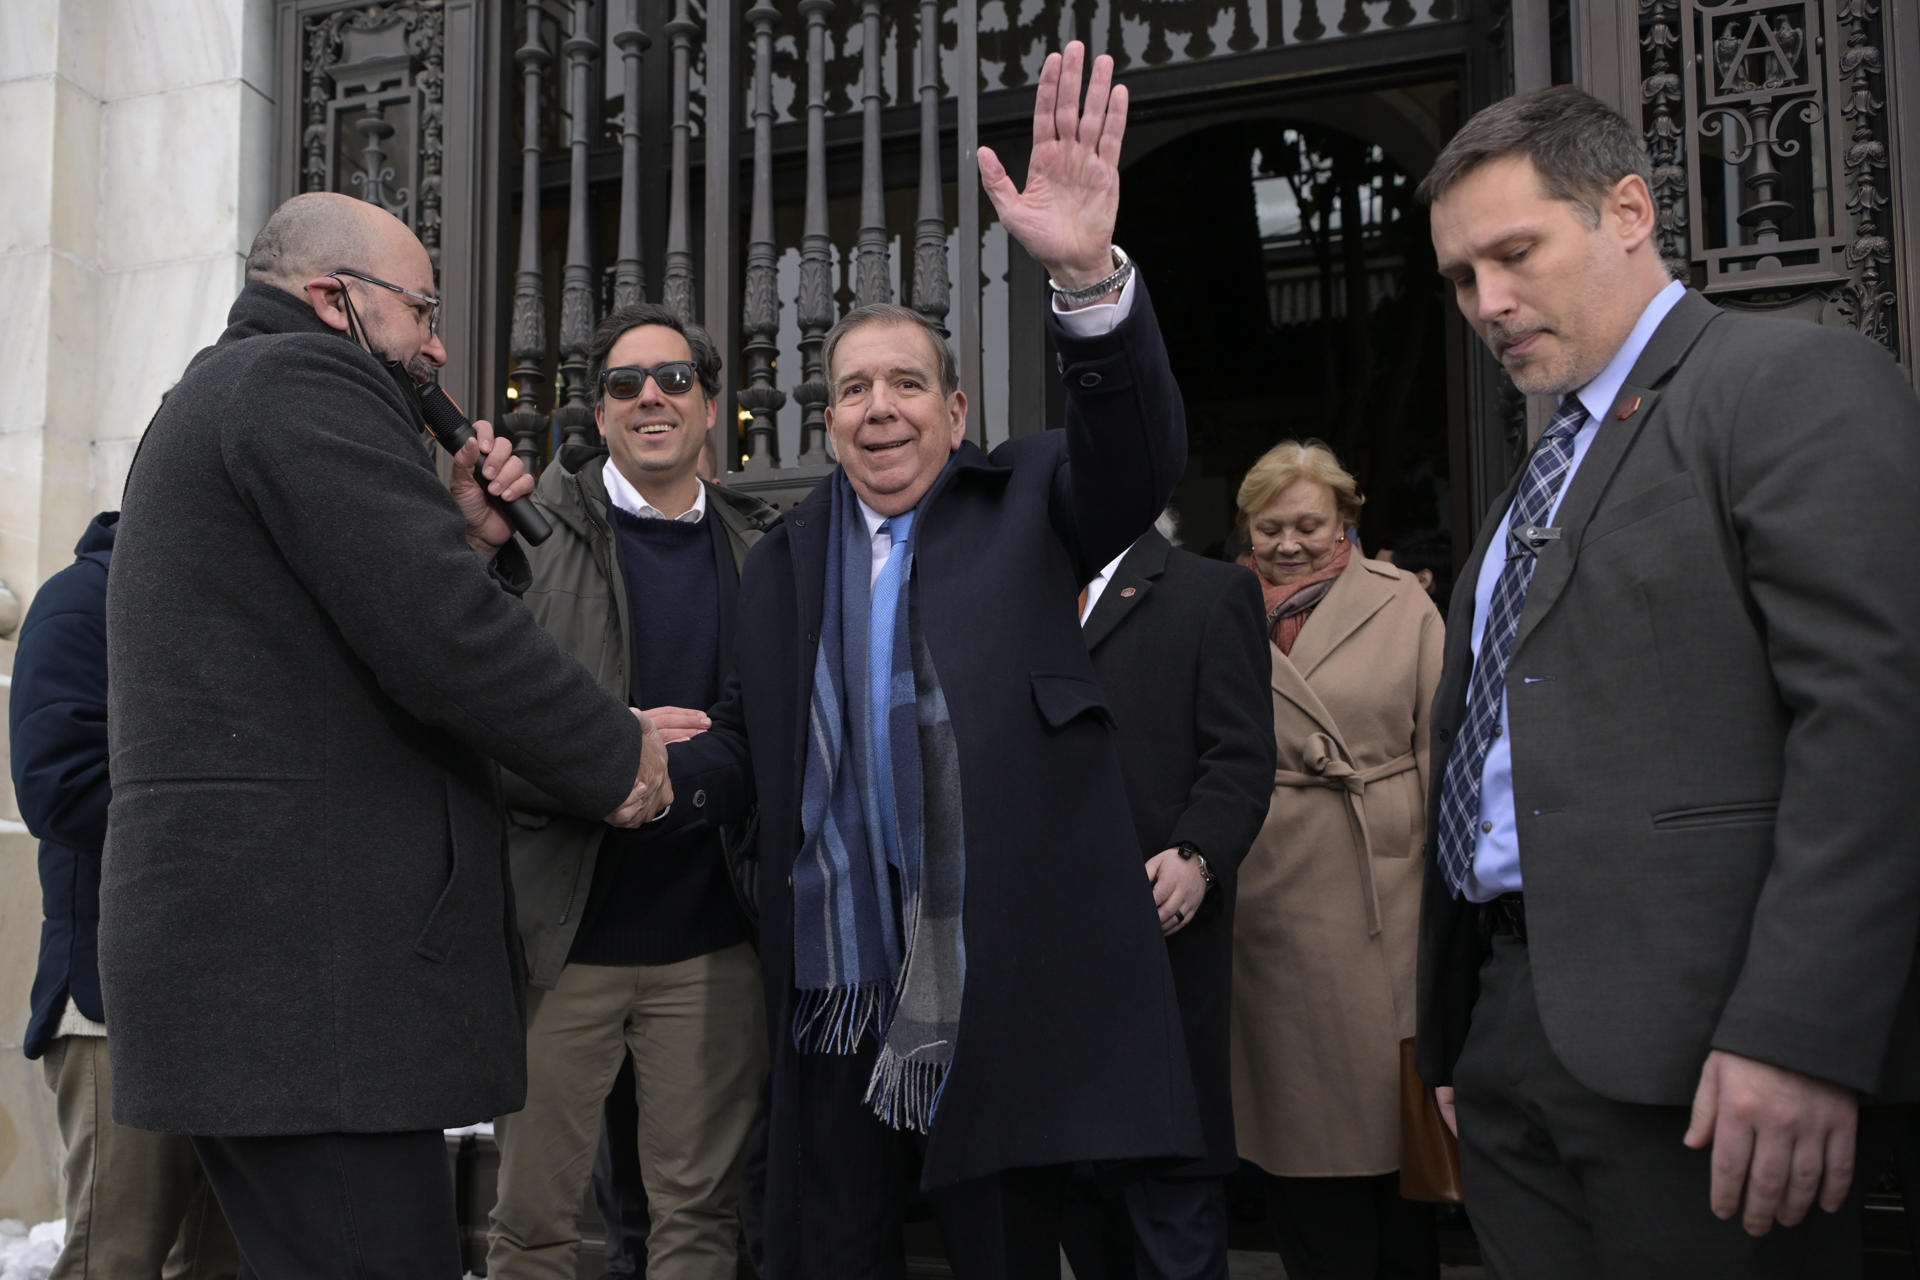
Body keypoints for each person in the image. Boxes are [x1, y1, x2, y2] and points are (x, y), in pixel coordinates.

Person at [668, 42, 1200, 1279]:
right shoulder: (785, 550)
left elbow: (1139, 458)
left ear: (956, 413)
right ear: (828, 419)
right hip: (837, 977)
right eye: (854, 388)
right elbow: (750, 738)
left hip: (996, 969)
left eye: (908, 382)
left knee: (1001, 1244)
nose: (880, 407)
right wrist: (660, 775)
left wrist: (1087, 281)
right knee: (834, 1243)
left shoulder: (1023, 501)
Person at [99, 191, 671, 1279]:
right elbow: (437, 632)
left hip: (282, 993)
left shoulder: (233, 391)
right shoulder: (298, 379)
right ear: (334, 301)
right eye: (421, 309)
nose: (439, 342)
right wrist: (616, 754)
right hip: (307, 997)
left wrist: (455, 532)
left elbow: (337, 629)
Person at [1414, 85, 1920, 1277]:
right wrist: (1460, 1035)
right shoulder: (1536, 476)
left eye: (1514, 253)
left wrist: (1800, 1031)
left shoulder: (1788, 382)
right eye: (1459, 278)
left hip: (1715, 1065)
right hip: (1508, 1046)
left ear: (1628, 209)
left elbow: (1872, 721)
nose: (1487, 303)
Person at [488, 302, 774, 1280]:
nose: (650, 395)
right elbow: (479, 723)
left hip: (709, 943)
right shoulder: (528, 540)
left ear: (710, 402)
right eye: (624, 382)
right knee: (534, 1224)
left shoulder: (759, 547)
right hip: (563, 946)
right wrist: (616, 751)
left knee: (698, 1219)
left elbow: (773, 740)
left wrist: (677, 782)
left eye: (673, 377)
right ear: (598, 413)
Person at [1227, 441, 1444, 1280]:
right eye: (1269, 527)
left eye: (1309, 526)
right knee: (1298, 1136)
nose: (1288, 544)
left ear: (1347, 520)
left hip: (1384, 881)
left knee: (1391, 1135)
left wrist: (1447, 874)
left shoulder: (1401, 603)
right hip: (1270, 892)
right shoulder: (1218, 605)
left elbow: (1443, 741)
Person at [10, 510, 242, 1280]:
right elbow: (60, 788)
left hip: (238, 1004)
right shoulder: (81, 600)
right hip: (118, 1004)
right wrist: (243, 819)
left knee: (215, 1260)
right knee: (115, 1257)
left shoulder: (243, 602)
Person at [1058, 512, 1274, 1280]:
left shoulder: (1211, 593)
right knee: (1086, 1222)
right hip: (1054, 982)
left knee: (1172, 1223)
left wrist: (1199, 854)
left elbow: (1242, 757)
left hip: (1164, 961)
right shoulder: (1025, 596)